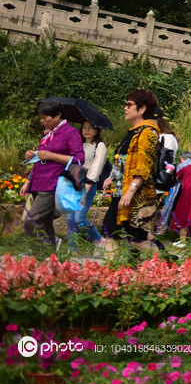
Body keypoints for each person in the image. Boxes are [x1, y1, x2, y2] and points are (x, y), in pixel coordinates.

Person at [101, 90, 167, 258]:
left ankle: (165, 263)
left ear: (142, 109)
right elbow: (124, 160)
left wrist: (130, 191)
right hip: (120, 191)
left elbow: (144, 165)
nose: (125, 108)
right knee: (113, 230)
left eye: (129, 105)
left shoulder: (148, 132)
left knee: (135, 236)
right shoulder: (133, 131)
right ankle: (111, 269)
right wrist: (112, 177)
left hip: (135, 195)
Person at [20, 100, 85, 246]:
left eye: (45, 118)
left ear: (57, 115)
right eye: (40, 118)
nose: (42, 121)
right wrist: (32, 156)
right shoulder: (50, 134)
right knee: (45, 223)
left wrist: (51, 156)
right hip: (39, 182)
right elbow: (43, 156)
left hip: (53, 183)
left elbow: (79, 159)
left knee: (30, 220)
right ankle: (50, 257)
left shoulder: (70, 133)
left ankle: (39, 255)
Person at [65, 120, 107, 252]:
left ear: (97, 130)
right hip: (73, 184)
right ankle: (73, 250)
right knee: (70, 219)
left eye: (91, 128)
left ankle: (99, 239)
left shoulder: (99, 146)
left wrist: (89, 182)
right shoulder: (77, 144)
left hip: (87, 184)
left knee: (79, 218)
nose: (87, 130)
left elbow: (97, 166)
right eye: (84, 127)